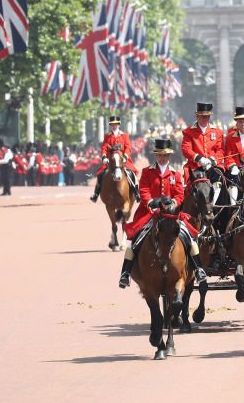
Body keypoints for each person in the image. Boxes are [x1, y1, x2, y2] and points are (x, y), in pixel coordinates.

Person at [117, 139, 207, 288]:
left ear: (169, 156)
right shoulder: (147, 172)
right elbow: (144, 190)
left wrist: (174, 203)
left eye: (165, 155)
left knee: (189, 238)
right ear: (156, 156)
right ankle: (125, 273)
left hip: (172, 215)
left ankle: (198, 270)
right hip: (151, 213)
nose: (162, 158)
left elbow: (179, 194)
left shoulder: (176, 174)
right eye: (159, 155)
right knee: (135, 241)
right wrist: (151, 202)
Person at [91, 115, 138, 202]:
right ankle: (96, 194)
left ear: (118, 125)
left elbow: (128, 147)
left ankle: (136, 192)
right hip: (110, 160)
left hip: (122, 159)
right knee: (101, 174)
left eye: (115, 124)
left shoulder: (124, 135)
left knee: (132, 173)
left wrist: (125, 156)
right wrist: (104, 157)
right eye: (112, 124)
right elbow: (104, 148)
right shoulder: (107, 136)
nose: (114, 126)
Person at [181, 102, 224, 184]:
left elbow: (221, 150)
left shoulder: (218, 132)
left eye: (207, 117)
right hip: (195, 166)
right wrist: (199, 159)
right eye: (202, 117)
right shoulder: (189, 132)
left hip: (213, 166)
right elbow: (186, 149)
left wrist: (212, 161)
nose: (205, 119)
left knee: (222, 184)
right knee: (190, 188)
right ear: (197, 116)